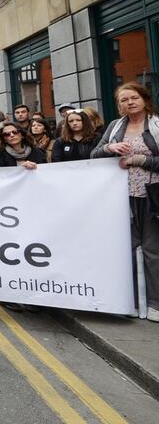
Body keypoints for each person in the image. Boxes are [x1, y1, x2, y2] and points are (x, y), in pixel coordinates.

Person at [92, 82, 159, 322]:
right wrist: (110, 147)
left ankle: (155, 304)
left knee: (152, 250)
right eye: (123, 100)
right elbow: (95, 155)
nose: (129, 102)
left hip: (152, 197)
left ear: (144, 99)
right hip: (121, 196)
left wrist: (141, 159)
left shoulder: (156, 124)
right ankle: (126, 299)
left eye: (133, 98)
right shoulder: (115, 127)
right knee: (125, 249)